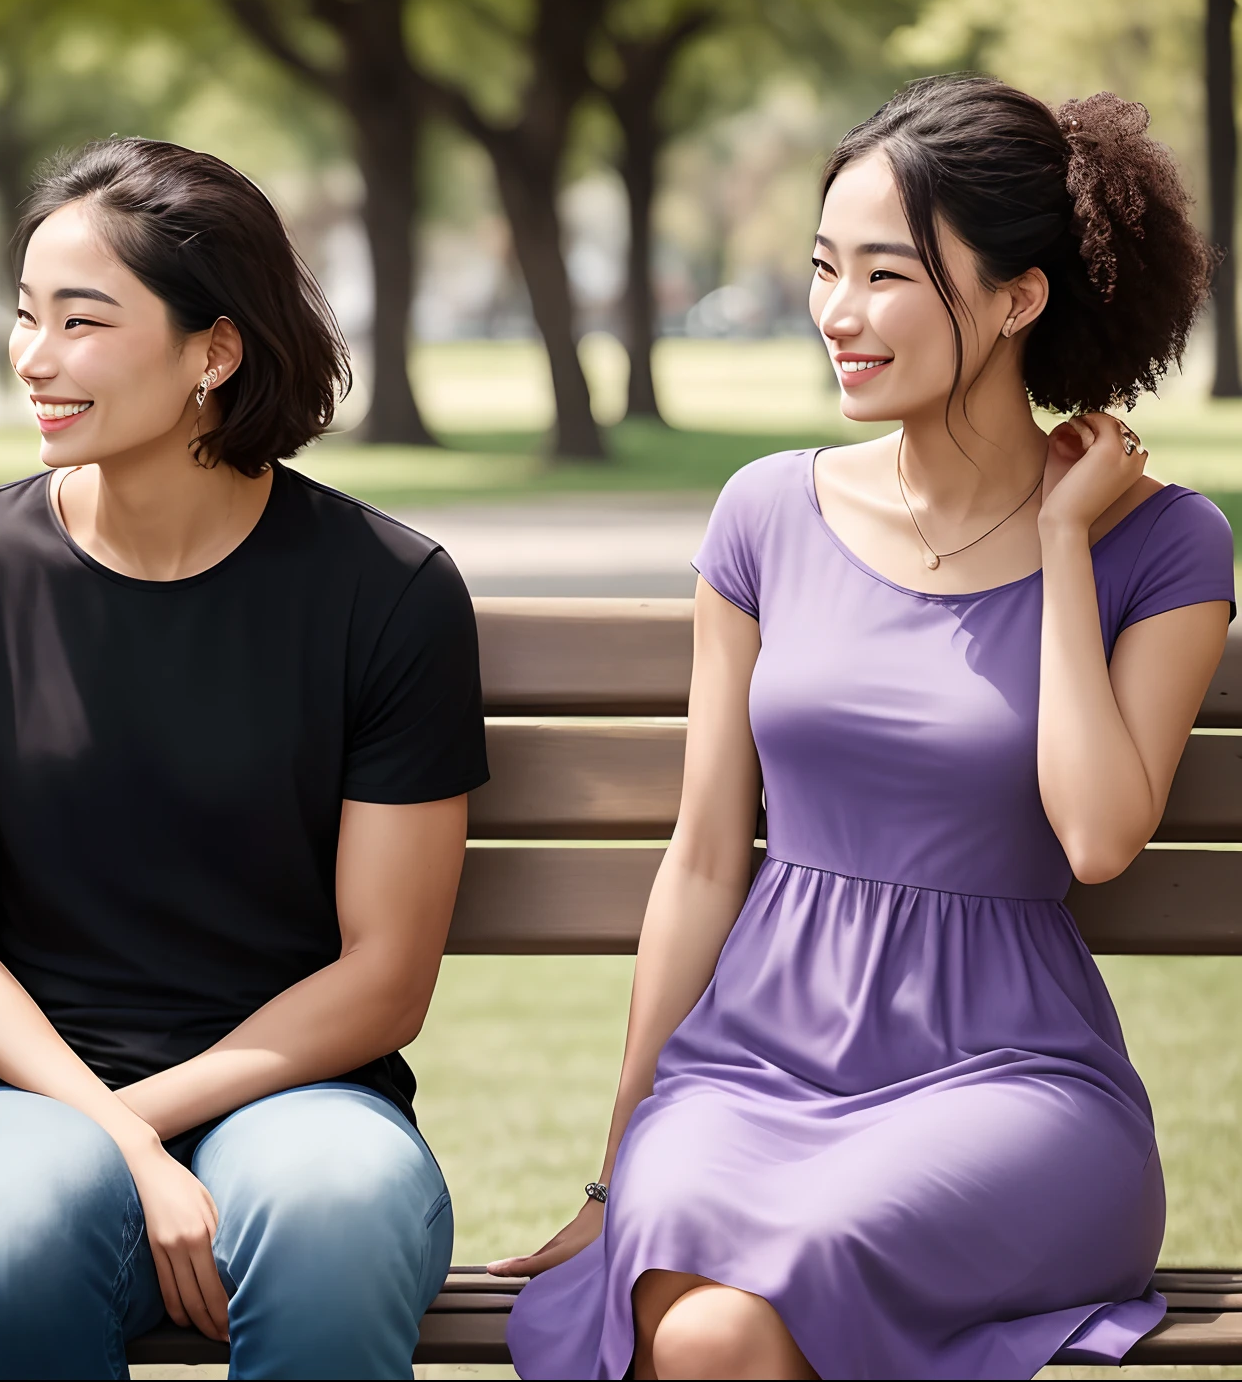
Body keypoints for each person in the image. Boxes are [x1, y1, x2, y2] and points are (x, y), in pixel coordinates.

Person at [500, 75, 1235, 1380]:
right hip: (751, 1068)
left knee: (756, 1307)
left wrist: (1064, 548)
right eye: (825, 267)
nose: (837, 313)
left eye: (887, 276)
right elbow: (707, 856)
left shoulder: (1164, 545)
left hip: (1009, 1086)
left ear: (1018, 299)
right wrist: (619, 1170)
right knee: (702, 1311)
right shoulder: (765, 514)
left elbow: (1100, 834)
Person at [0, 137, 487, 1380]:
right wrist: (100, 1131)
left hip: (309, 1101)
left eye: (81, 323)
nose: (33, 358)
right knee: (32, 1221)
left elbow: (384, 977)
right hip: (19, 1105)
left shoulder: (387, 593)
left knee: (330, 1220)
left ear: (215, 349)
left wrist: (139, 1127)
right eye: (26, 316)